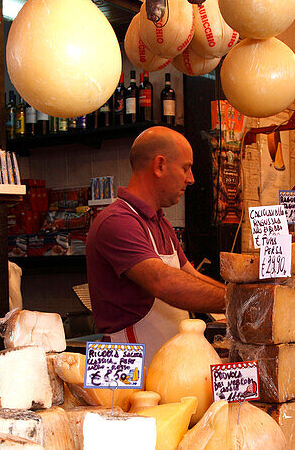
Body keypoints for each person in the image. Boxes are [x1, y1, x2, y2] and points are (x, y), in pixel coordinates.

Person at [86, 125, 226, 360]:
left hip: (163, 364)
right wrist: (236, 301)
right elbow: (163, 282)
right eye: (186, 168)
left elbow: (190, 275)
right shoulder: (117, 220)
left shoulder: (160, 222)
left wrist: (240, 294)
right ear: (160, 165)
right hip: (127, 371)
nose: (191, 179)